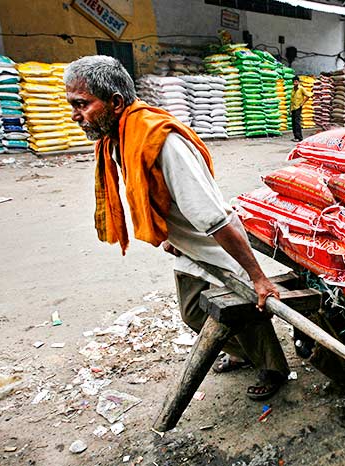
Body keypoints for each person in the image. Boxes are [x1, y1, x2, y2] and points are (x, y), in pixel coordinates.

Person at [64, 56, 290, 400]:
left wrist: (259, 276)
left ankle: (273, 369)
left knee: (242, 307)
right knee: (194, 312)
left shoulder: (161, 142)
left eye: (82, 104)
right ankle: (243, 352)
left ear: (115, 102)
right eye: (73, 105)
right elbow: (155, 195)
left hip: (216, 242)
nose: (75, 115)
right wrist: (168, 233)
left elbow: (217, 217)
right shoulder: (119, 138)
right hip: (187, 242)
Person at [290, 75, 311, 142]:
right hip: (293, 108)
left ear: (298, 82)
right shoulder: (293, 89)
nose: (295, 83)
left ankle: (299, 137)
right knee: (293, 123)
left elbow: (308, 96)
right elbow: (292, 100)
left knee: (297, 123)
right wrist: (290, 109)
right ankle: (295, 136)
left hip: (298, 108)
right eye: (294, 82)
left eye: (296, 81)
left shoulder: (301, 88)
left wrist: (302, 103)